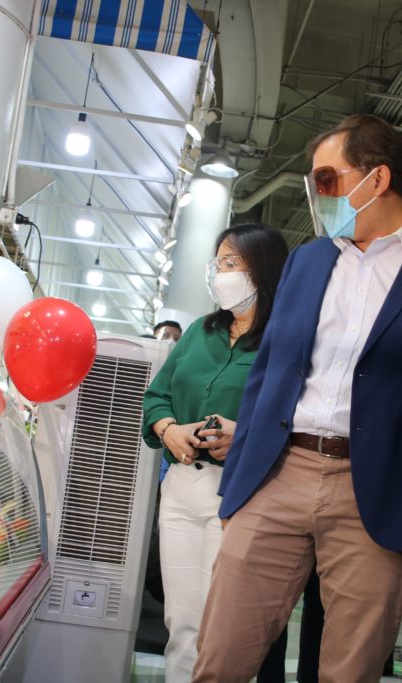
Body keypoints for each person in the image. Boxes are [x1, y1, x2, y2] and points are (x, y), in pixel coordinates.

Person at [193, 114, 402, 682]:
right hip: (279, 473)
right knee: (221, 657)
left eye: (327, 179)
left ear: (377, 179)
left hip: (379, 493)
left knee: (350, 670)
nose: (317, 193)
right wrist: (237, 488)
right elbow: (269, 374)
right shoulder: (310, 260)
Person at [140, 223, 288, 683]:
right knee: (181, 621)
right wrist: (169, 430)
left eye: (232, 264)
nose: (221, 274)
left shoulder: (284, 341)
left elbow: (293, 418)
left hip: (241, 493)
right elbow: (156, 396)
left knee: (222, 625)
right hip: (182, 488)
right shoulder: (201, 331)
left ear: (262, 270)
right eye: (218, 263)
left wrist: (242, 436)